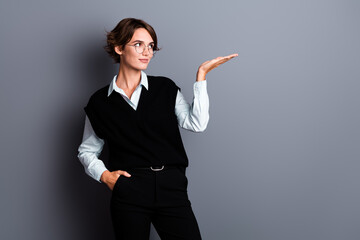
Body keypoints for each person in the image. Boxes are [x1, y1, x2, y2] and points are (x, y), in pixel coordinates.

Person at [77, 18, 237, 240]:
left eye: (150, 46)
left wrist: (201, 76)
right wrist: (105, 176)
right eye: (138, 45)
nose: (147, 52)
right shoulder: (99, 102)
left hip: (171, 186)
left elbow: (196, 124)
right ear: (119, 48)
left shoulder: (165, 88)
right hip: (129, 189)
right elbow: (86, 150)